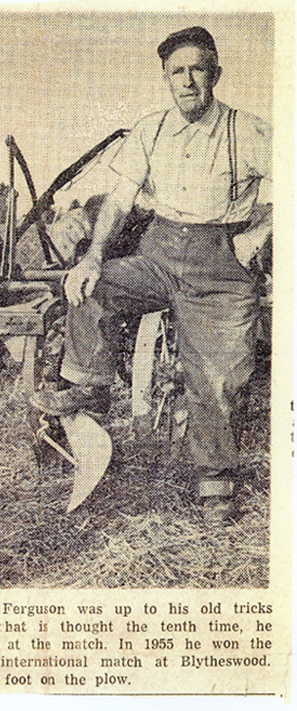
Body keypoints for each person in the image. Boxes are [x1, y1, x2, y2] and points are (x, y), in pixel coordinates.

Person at [31, 26, 272, 525]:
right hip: (159, 251)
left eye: (197, 70)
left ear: (215, 75)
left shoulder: (247, 130)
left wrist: (256, 237)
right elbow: (119, 200)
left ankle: (215, 480)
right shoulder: (151, 129)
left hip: (221, 265)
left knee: (218, 375)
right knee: (90, 289)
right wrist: (93, 256)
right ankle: (88, 386)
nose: (187, 81)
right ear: (166, 78)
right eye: (176, 72)